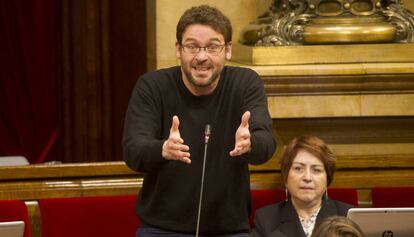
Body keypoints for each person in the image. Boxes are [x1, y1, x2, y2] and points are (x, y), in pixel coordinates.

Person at [122, 5, 276, 236]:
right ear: (178, 49)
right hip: (161, 229)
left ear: (228, 50)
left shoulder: (245, 83)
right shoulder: (152, 86)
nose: (201, 57)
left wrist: (250, 143)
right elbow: (133, 151)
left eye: (213, 47)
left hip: (229, 230)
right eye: (192, 46)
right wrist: (162, 149)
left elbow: (266, 143)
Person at [251, 136, 354, 237]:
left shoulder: (348, 217)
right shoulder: (266, 219)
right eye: (298, 168)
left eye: (316, 170)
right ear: (286, 176)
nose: (307, 177)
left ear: (327, 178)